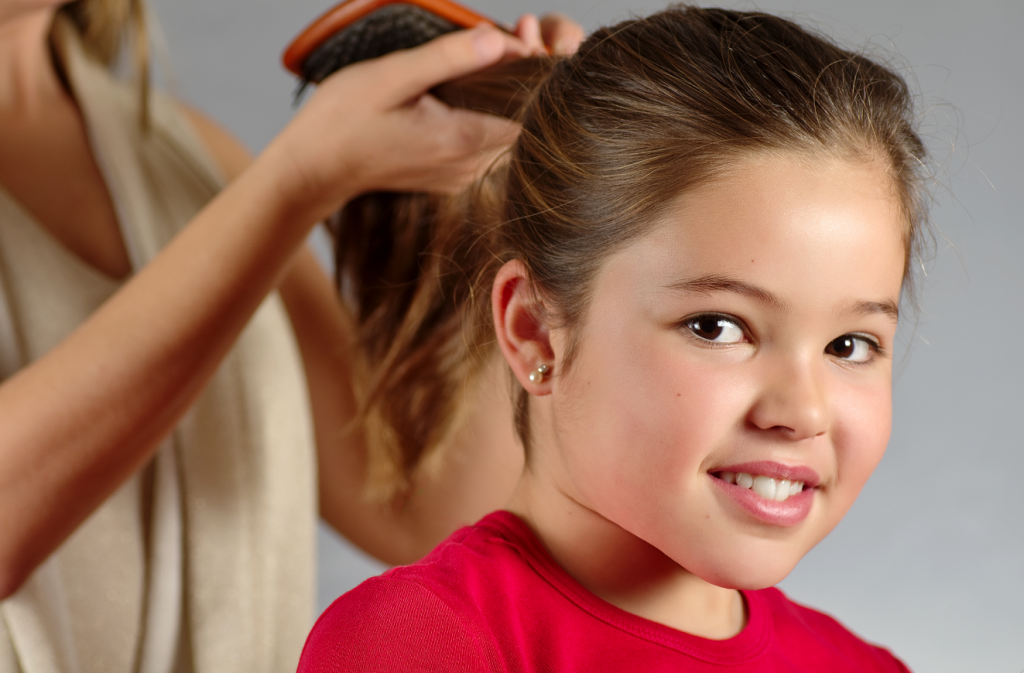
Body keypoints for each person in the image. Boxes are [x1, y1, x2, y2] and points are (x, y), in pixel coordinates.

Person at [295, 5, 928, 671]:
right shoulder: (419, 643)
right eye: (717, 327)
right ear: (536, 331)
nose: (802, 411)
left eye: (850, 345)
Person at [0, 0, 583, 671]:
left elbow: (422, 508)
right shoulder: (268, 183)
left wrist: (495, 190)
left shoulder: (187, 156)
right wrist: (298, 182)